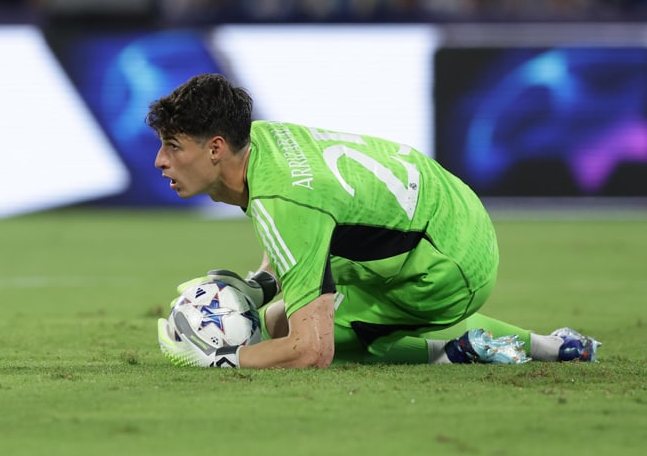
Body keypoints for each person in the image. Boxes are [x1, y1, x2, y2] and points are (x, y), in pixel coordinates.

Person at [146, 73, 600, 369]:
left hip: (451, 262)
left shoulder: (283, 200)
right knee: (283, 311)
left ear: (216, 148)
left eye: (172, 146)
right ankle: (551, 345)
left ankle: (455, 352)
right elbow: (301, 229)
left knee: (314, 335)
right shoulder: (262, 141)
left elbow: (312, 352)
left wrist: (226, 358)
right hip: (454, 212)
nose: (160, 160)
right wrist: (262, 284)